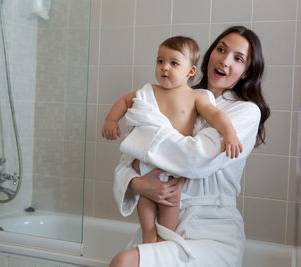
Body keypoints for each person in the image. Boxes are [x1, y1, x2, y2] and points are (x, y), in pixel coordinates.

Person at [110, 25, 270, 267]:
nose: (225, 61)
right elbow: (128, 157)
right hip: (156, 219)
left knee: (124, 262)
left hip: (209, 228)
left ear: (246, 72)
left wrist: (145, 147)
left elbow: (194, 159)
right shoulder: (171, 94)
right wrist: (138, 183)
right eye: (221, 49)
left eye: (238, 59)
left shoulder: (245, 111)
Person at [101, 36, 243, 244]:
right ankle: (149, 236)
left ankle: (165, 237)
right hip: (148, 161)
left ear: (190, 71)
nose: (165, 68)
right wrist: (111, 120)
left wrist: (230, 134)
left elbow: (215, 115)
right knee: (146, 203)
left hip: (172, 166)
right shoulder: (149, 91)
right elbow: (124, 101)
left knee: (170, 203)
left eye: (173, 63)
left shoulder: (196, 97)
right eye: (160, 61)